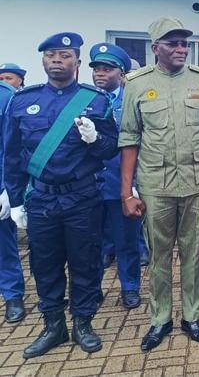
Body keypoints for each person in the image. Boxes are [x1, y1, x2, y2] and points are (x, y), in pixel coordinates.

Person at [118, 18, 199, 352]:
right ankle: (160, 319)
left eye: (183, 44)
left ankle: (192, 316)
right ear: (155, 48)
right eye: (172, 44)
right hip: (156, 184)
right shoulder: (136, 85)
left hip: (196, 182)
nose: (180, 49)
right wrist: (127, 192)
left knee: (195, 252)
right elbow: (129, 139)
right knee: (159, 256)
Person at [5, 32, 118, 357]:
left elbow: (109, 150)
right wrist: (14, 201)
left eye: (65, 56)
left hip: (82, 198)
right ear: (43, 60)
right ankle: (53, 325)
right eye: (52, 55)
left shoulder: (95, 100)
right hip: (41, 200)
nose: (58, 60)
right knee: (44, 264)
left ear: (77, 64)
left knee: (85, 262)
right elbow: (12, 155)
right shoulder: (23, 100)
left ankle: (83, 322)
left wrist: (95, 138)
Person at [89, 42, 143, 310]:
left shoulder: (133, 101)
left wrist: (137, 184)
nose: (100, 73)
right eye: (97, 69)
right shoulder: (84, 100)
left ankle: (130, 287)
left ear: (121, 73)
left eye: (107, 69)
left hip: (123, 183)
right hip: (88, 184)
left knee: (127, 241)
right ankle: (91, 288)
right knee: (90, 244)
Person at [0, 80, 24, 324]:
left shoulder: (5, 96)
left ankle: (12, 294)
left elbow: (9, 148)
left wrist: (6, 188)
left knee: (3, 246)